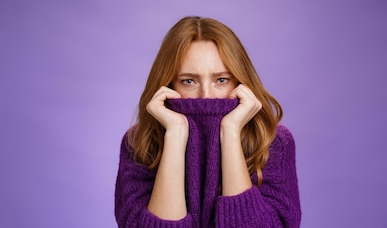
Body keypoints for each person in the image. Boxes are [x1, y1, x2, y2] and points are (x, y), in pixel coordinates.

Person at [115, 16, 301, 227]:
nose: (206, 95)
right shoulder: (138, 143)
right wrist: (175, 136)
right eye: (189, 81)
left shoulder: (274, 142)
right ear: (169, 85)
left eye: (221, 80)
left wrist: (229, 132)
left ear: (240, 82)